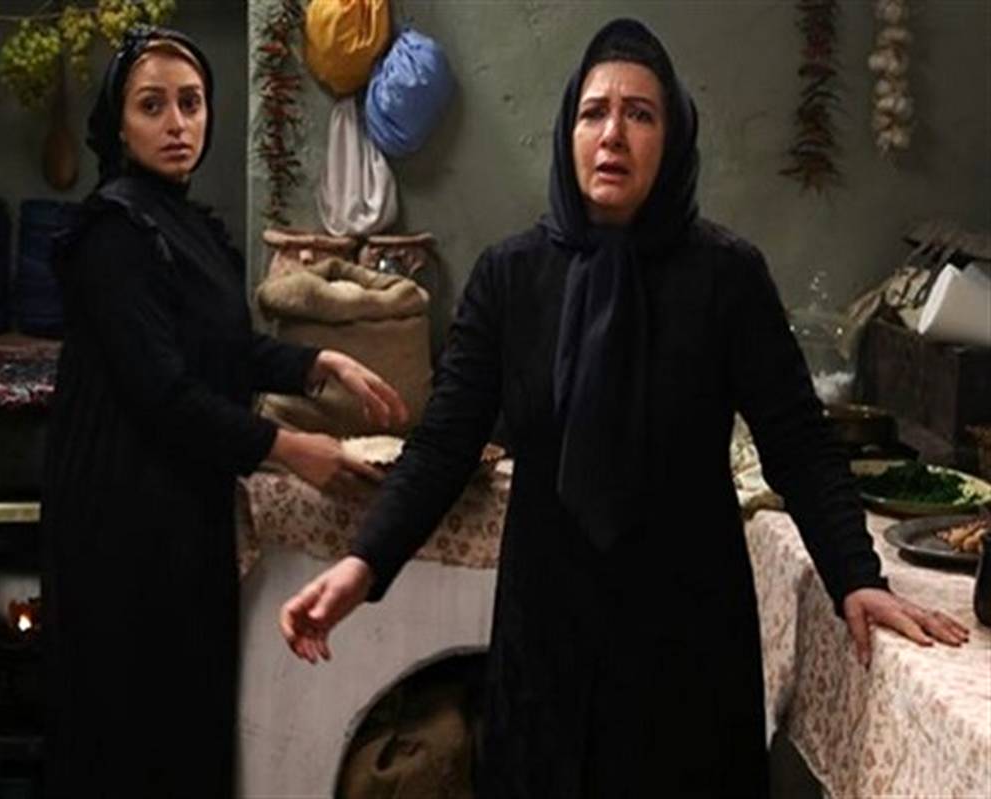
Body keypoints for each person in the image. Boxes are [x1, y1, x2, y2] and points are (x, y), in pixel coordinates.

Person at [279, 18, 968, 798]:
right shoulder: (511, 279)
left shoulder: (726, 277)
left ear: (672, 139)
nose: (613, 134)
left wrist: (856, 576)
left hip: (688, 642)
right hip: (548, 637)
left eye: (640, 114)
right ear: (568, 132)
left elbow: (799, 444)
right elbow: (443, 446)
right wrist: (364, 563)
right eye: (593, 112)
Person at [40, 26, 407, 798]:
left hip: (180, 502)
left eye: (192, 103)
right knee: (131, 728)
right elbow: (164, 394)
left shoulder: (186, 225)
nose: (178, 123)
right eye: (152, 106)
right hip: (121, 518)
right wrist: (291, 448)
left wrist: (318, 362)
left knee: (185, 712)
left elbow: (224, 349)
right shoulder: (114, 233)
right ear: (118, 124)